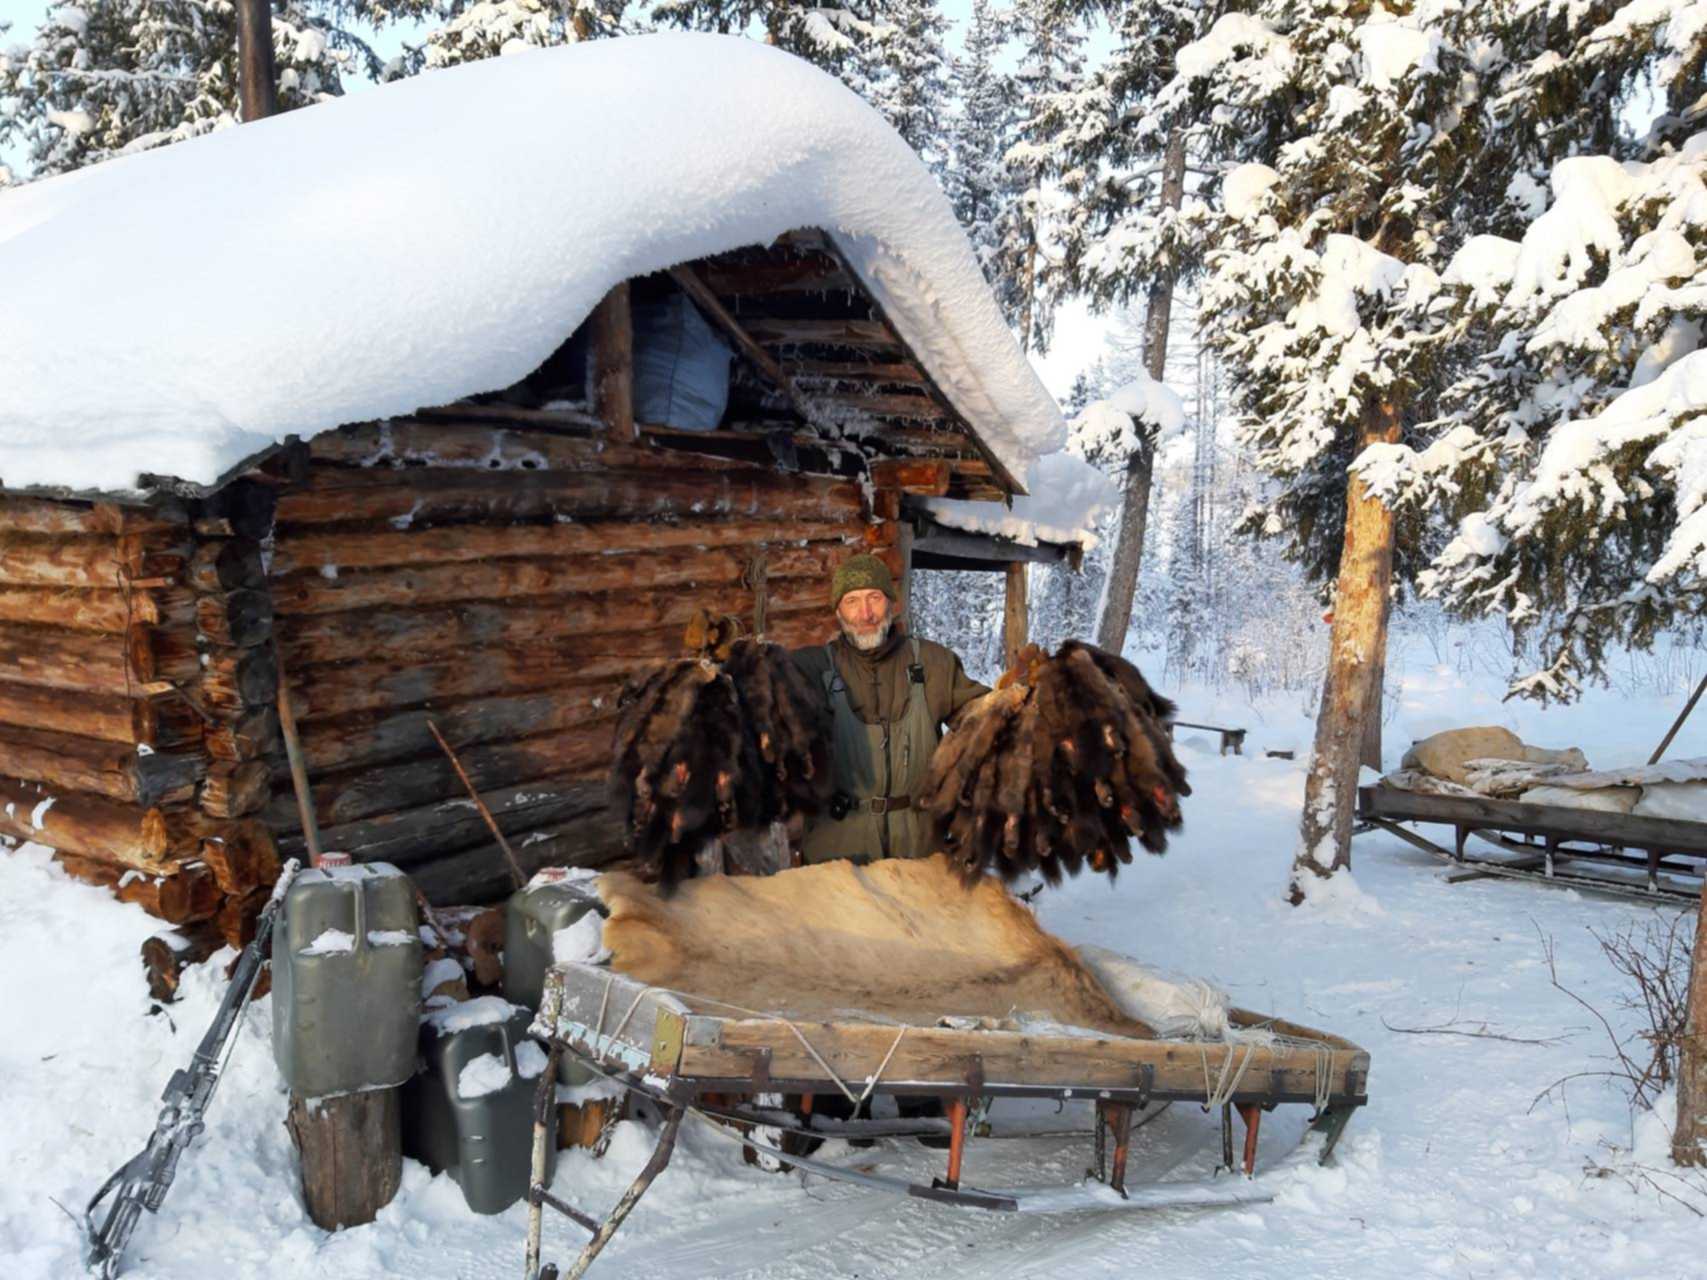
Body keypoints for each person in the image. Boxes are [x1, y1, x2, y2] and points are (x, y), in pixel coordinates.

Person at [791, 553, 988, 864]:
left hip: (919, 845)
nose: (865, 613)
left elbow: (985, 719)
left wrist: (1022, 699)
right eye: (852, 601)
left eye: (875, 598)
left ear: (892, 603)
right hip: (838, 847)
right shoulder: (810, 669)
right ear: (838, 610)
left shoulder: (934, 663)